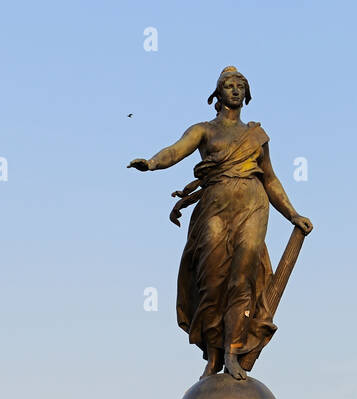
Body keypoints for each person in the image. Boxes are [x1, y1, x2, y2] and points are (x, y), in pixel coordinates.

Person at [128, 67, 312, 378]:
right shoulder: (204, 130)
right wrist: (152, 163)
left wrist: (293, 214)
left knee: (242, 279)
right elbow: (176, 150)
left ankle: (232, 352)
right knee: (211, 282)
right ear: (218, 94)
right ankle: (213, 354)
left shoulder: (256, 136)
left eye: (241, 86)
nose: (236, 90)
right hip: (214, 206)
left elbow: (270, 178)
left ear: (247, 94)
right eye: (229, 86)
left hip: (253, 204)